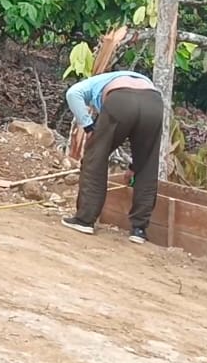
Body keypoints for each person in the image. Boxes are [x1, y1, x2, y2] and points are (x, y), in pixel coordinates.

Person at [61, 69, 164, 245]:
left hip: (120, 100)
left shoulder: (92, 84)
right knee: (147, 163)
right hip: (153, 103)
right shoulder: (137, 80)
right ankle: (139, 230)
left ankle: (85, 220)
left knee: (95, 158)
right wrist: (134, 167)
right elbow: (142, 149)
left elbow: (72, 93)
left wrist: (88, 126)